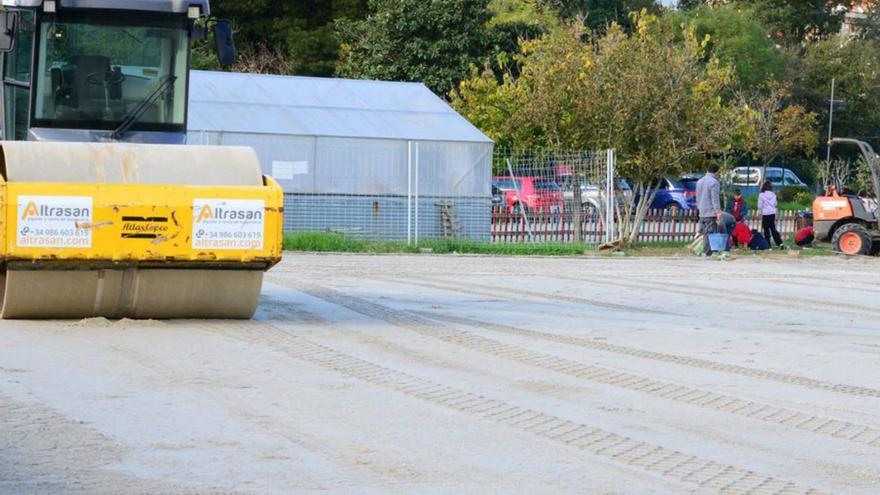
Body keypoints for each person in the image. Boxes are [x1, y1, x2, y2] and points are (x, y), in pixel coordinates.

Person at [696, 164, 723, 255]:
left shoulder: (699, 181)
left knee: (704, 233)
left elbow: (698, 197)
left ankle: (703, 251)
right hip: (710, 212)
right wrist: (718, 211)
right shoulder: (714, 182)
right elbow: (714, 198)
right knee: (710, 233)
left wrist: (699, 207)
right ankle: (707, 252)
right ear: (716, 172)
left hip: (702, 211)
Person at [758, 180, 785, 249]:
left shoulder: (761, 195)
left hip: (765, 213)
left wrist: (760, 213)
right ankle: (780, 243)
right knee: (773, 229)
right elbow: (775, 204)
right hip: (772, 213)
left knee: (766, 230)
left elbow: (760, 205)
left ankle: (768, 245)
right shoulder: (773, 194)